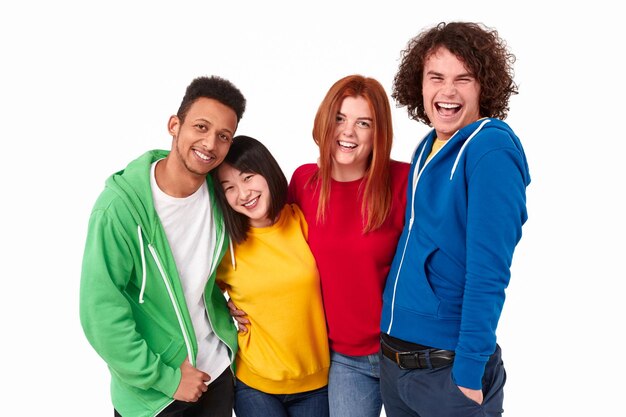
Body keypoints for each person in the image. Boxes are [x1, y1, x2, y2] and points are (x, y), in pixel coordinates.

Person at [379, 21, 531, 417]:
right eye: (436, 77)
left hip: (446, 373)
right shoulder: (429, 145)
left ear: (484, 86)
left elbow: (489, 272)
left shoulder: (490, 149)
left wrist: (467, 373)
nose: (447, 91)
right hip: (396, 367)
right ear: (421, 85)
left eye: (464, 79)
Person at [79, 75, 246, 417]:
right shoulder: (119, 208)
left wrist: (232, 304)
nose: (210, 144)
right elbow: (100, 313)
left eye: (223, 136)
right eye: (201, 127)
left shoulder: (222, 195)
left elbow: (200, 274)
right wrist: (166, 378)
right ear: (175, 125)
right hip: (153, 395)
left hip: (215, 375)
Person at [287, 75, 410, 417]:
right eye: (340, 118)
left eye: (363, 123)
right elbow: (275, 254)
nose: (348, 132)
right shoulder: (303, 183)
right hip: (344, 359)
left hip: (403, 352)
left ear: (378, 132)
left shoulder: (404, 181)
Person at [211, 135, 330, 417]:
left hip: (317, 382)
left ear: (267, 171)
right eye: (229, 188)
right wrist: (224, 310)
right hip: (255, 383)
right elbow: (197, 294)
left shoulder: (301, 220)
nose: (243, 193)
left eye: (248, 177)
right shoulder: (226, 245)